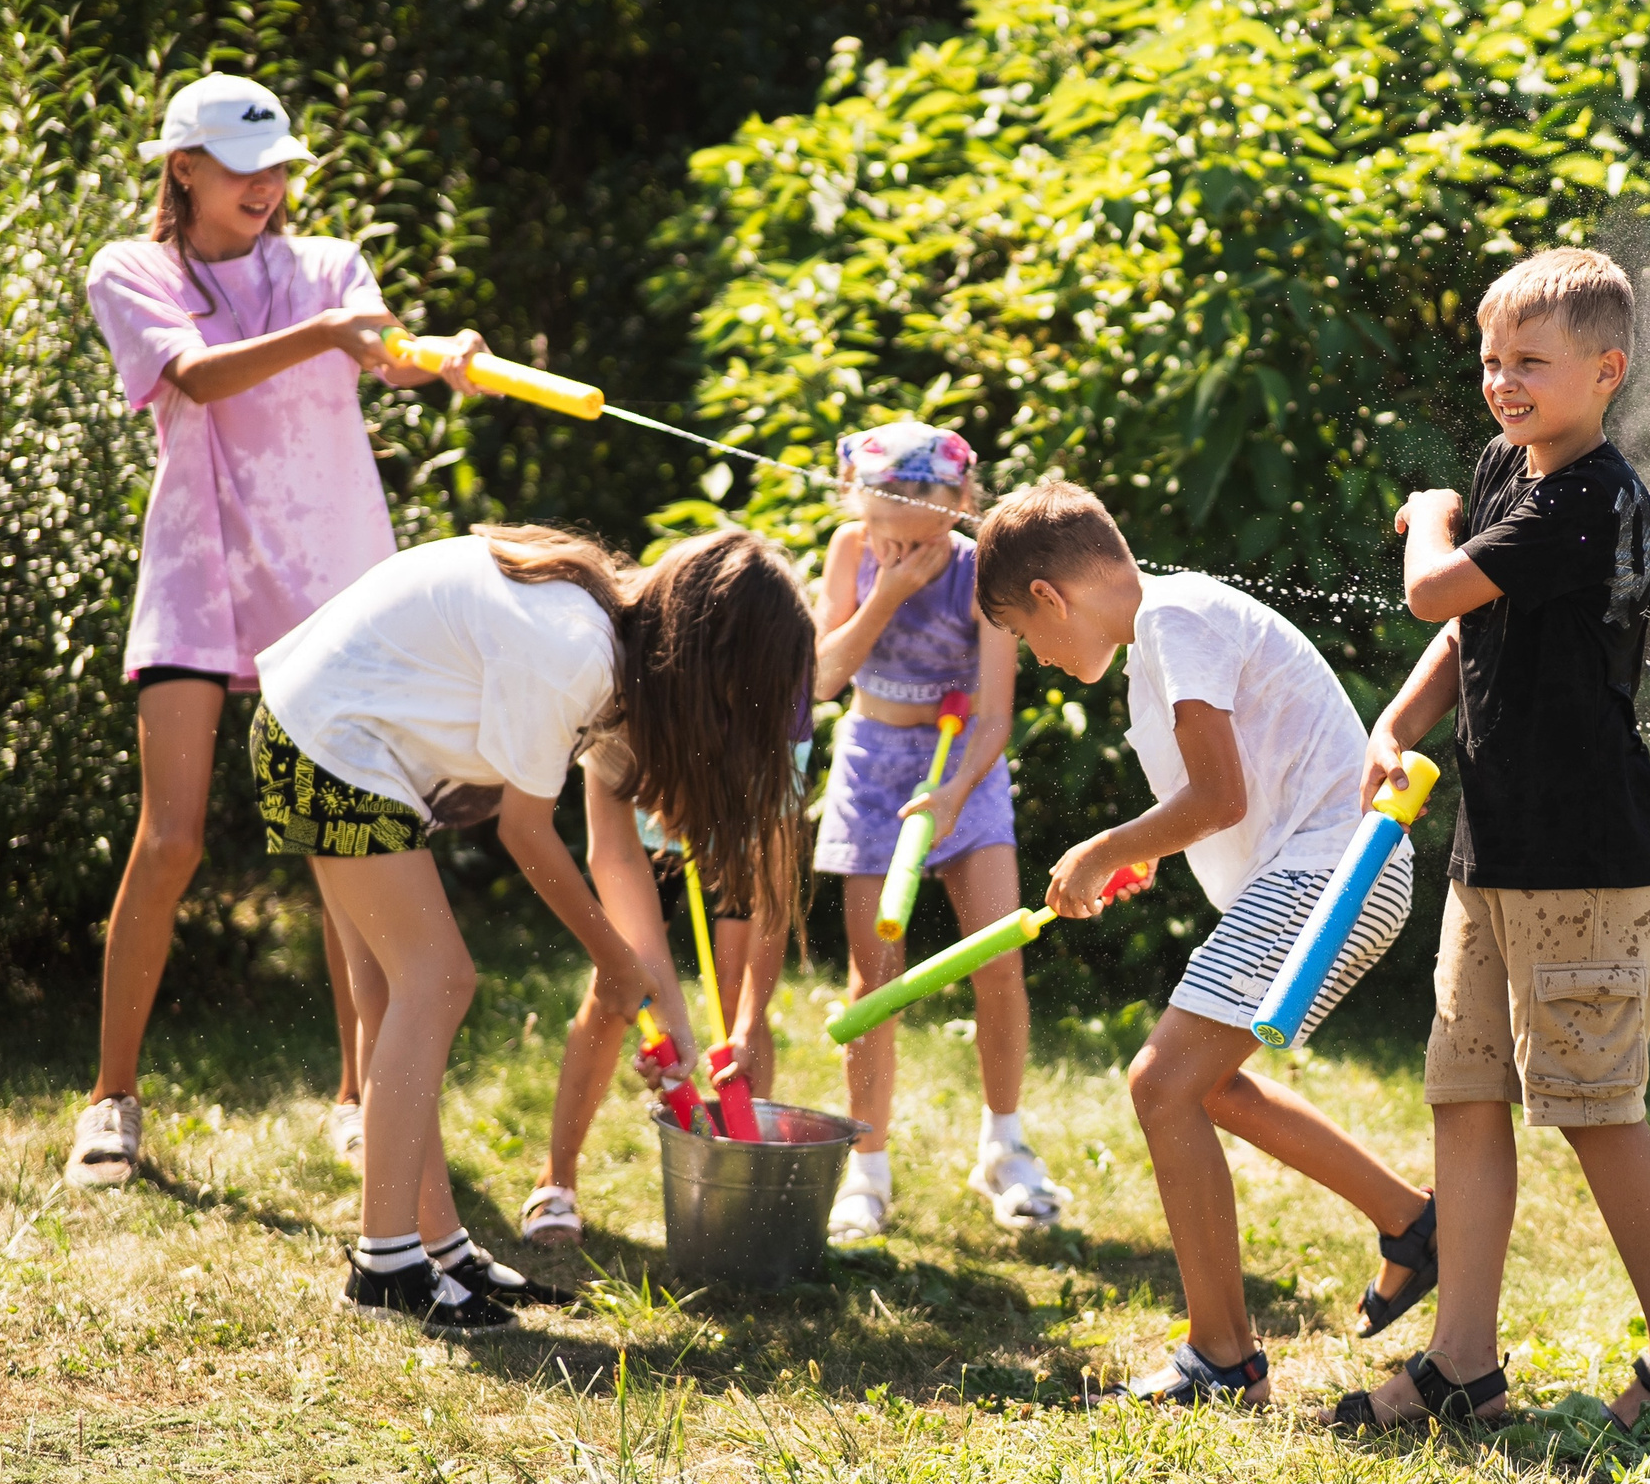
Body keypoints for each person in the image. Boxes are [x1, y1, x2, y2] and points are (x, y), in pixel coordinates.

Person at [1342, 247, 1650, 1432]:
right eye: (1488, 360)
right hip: (1495, 842)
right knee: (1464, 1093)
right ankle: (1459, 1365)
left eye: (1530, 362)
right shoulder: (1510, 467)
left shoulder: (1590, 496)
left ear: (1605, 372)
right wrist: (1400, 717)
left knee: (1590, 1108)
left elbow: (1434, 585)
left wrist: (1426, 518)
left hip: (1585, 855)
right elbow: (1468, 613)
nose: (1502, 383)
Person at [71, 72, 491, 1189]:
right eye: (242, 167)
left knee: (343, 842)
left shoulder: (326, 266)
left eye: (280, 167)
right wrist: (334, 332)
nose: (267, 186)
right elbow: (197, 379)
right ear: (183, 169)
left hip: (334, 583)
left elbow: (385, 352)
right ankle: (112, 1102)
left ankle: (361, 1100)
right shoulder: (132, 270)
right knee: (172, 839)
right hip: (199, 578)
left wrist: (441, 354)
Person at [252, 525, 811, 1329]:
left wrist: (652, 993)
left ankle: (439, 1249)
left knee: (393, 997)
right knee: (436, 980)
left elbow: (595, 852)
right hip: (328, 742)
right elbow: (525, 830)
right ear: (708, 660)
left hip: (331, 737)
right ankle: (385, 1265)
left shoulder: (610, 657)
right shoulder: (579, 651)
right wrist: (615, 965)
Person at [975, 481, 1437, 1407]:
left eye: (1025, 636)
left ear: (1051, 598)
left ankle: (1224, 1358)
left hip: (1331, 870)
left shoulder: (1175, 619)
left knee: (1163, 1083)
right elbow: (1222, 800)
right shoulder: (1162, 639)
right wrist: (1139, 853)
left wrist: (1105, 846)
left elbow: (1218, 797)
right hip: (1322, 870)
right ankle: (1416, 1227)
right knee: (1204, 1085)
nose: (1038, 656)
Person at [812, 422, 1062, 1241]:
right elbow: (820, 678)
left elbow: (995, 712)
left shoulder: (978, 566)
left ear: (958, 506)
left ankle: (1005, 1144)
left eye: (914, 537)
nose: (897, 548)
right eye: (885, 532)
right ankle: (867, 1168)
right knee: (873, 978)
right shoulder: (854, 551)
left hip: (964, 771)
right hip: (873, 764)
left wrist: (955, 794)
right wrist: (884, 590)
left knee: (998, 958)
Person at [518, 729, 803, 1248]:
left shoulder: (782, 714)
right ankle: (558, 1179)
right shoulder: (625, 709)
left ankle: (735, 1195)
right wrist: (660, 1005)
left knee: (739, 1002)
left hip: (742, 839)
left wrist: (746, 1022)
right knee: (615, 995)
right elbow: (609, 852)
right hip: (643, 839)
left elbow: (773, 894)